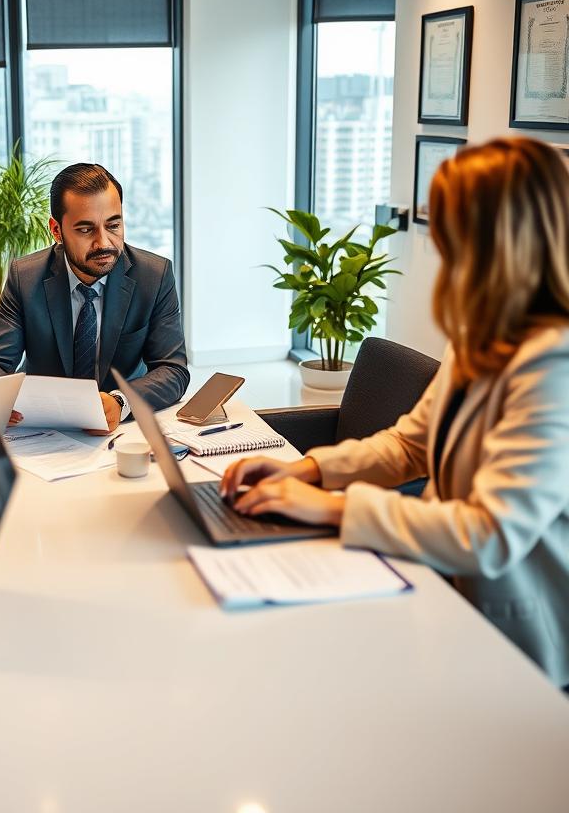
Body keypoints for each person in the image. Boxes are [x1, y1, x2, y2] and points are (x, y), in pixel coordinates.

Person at [222, 137, 569, 688]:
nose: (441, 247)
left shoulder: (555, 365)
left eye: (454, 231)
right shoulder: (483, 334)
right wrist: (307, 470)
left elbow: (490, 535)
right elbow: (409, 444)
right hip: (441, 597)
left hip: (518, 641)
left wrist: (331, 508)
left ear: (504, 239)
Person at [0, 162, 189, 435]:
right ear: (56, 230)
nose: (104, 243)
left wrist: (121, 401)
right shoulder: (25, 277)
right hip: (44, 433)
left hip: (121, 430)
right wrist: (1, 399)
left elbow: (173, 370)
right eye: (86, 230)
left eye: (113, 225)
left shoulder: (154, 276)